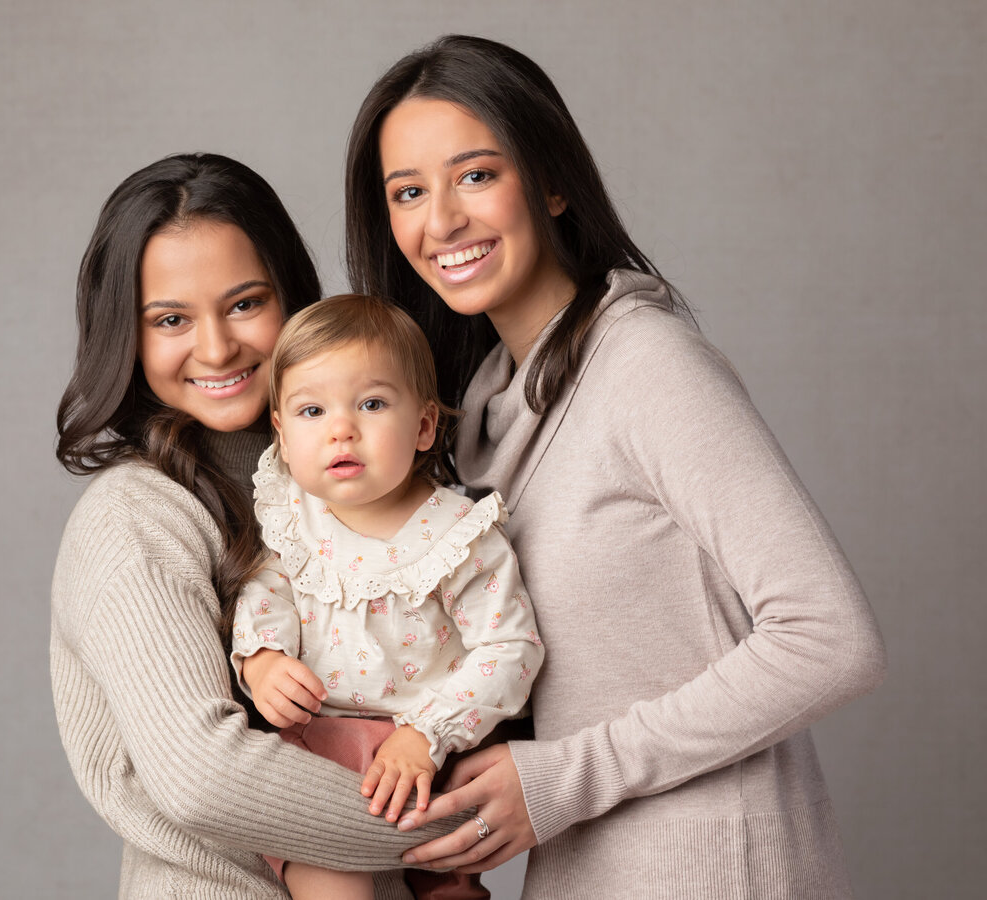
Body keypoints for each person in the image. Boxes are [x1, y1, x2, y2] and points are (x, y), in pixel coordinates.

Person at [344, 35, 888, 899]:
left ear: (553, 182)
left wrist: (567, 775)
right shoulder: (477, 417)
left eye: (476, 175)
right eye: (408, 192)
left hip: (713, 868)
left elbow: (831, 639)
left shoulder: (646, 366)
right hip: (584, 872)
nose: (439, 220)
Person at [51, 153, 456, 899]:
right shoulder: (135, 518)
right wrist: (464, 824)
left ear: (292, 301)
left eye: (244, 304)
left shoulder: (360, 476)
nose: (216, 348)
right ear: (128, 337)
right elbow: (203, 776)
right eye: (171, 320)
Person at [230, 293, 545, 899]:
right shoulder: (294, 516)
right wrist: (263, 660)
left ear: (424, 425)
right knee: (331, 883)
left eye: (371, 404)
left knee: (448, 883)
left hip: (429, 758)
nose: (341, 428)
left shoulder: (457, 535)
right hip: (317, 757)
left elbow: (510, 647)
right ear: (282, 432)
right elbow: (265, 591)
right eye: (312, 410)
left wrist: (426, 732)